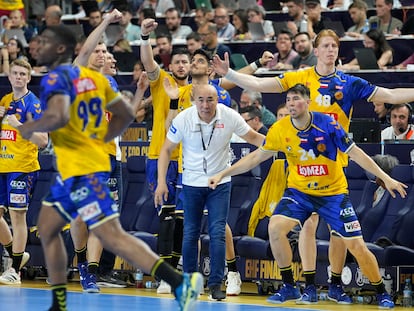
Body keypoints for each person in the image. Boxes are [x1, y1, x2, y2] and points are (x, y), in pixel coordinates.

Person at [212, 28, 414, 305]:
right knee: (305, 226)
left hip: (335, 164)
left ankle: (335, 285)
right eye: (325, 46)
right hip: (302, 172)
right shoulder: (300, 81)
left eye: (335, 46)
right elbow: (260, 85)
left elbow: (390, 95)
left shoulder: (348, 83)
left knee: (341, 235)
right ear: (316, 51)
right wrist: (230, 74)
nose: (331, 50)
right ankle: (305, 286)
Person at [17, 24, 202, 311]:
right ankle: (60, 300)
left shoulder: (75, 75)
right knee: (51, 227)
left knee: (109, 234)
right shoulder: (96, 82)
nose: (39, 47)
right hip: (79, 168)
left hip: (89, 168)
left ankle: (178, 282)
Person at [154, 83, 265, 301]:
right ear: (194, 100)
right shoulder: (184, 118)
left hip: (220, 182)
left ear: (218, 100)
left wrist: (281, 142)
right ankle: (189, 282)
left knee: (217, 232)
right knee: (190, 233)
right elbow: (166, 150)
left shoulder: (229, 115)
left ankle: (215, 284)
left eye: (210, 100)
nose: (206, 105)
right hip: (192, 183)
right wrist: (161, 182)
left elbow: (253, 137)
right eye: (201, 100)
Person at [0, 59, 48, 285]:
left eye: (23, 74)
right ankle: (17, 254)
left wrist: (20, 125)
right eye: (15, 73)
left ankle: (15, 270)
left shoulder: (34, 105)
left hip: (22, 168)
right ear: (9, 77)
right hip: (3, 166)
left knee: (18, 217)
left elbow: (42, 141)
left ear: (28, 78)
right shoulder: (5, 101)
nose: (18, 77)